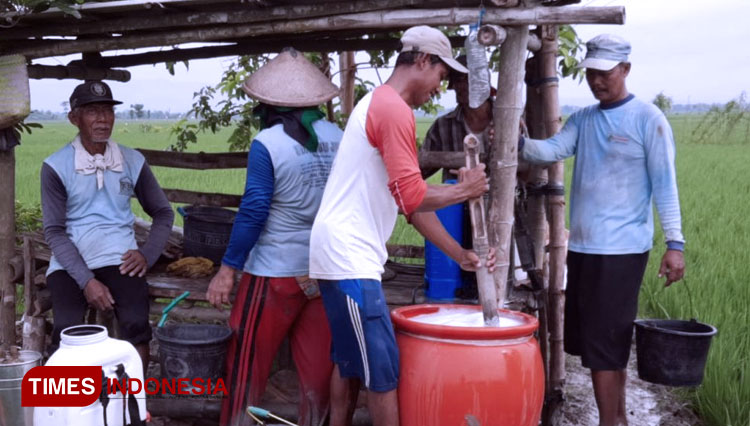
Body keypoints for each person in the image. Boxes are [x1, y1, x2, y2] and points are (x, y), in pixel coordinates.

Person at [309, 26, 496, 426]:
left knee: (350, 362)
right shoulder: (392, 109)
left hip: (342, 253)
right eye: (442, 78)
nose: (439, 89)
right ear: (423, 61)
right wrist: (464, 191)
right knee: (383, 370)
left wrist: (459, 253)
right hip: (349, 258)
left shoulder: (381, 105)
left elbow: (408, 203)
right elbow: (413, 197)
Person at [520, 34, 686, 426]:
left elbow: (666, 185)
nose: (597, 81)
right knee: (605, 344)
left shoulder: (648, 120)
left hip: (623, 252)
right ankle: (618, 419)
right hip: (584, 249)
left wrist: (675, 244)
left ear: (625, 70)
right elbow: (552, 151)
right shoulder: (584, 120)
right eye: (591, 73)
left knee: (602, 348)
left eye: (605, 74)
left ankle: (608, 422)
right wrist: (519, 142)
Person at [206, 49, 343, 426]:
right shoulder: (338, 137)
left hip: (274, 274)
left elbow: (254, 210)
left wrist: (228, 269)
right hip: (323, 269)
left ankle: (237, 422)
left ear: (267, 104)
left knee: (246, 362)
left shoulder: (268, 143)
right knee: (318, 369)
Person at [41, 80, 174, 371]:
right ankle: (66, 407)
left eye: (107, 111)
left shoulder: (131, 161)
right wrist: (87, 280)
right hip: (70, 261)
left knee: (136, 324)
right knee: (67, 328)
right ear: (74, 118)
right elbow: (54, 231)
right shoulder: (55, 166)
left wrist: (147, 254)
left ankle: (135, 406)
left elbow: (163, 213)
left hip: (119, 257)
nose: (102, 118)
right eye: (92, 111)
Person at [420, 54, 495, 299]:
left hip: (498, 217)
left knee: (495, 276)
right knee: (454, 282)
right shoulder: (443, 126)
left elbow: (529, 173)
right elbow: (416, 173)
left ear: (486, 86)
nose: (464, 87)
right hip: (454, 217)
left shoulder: (508, 123)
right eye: (458, 81)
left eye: (470, 80)